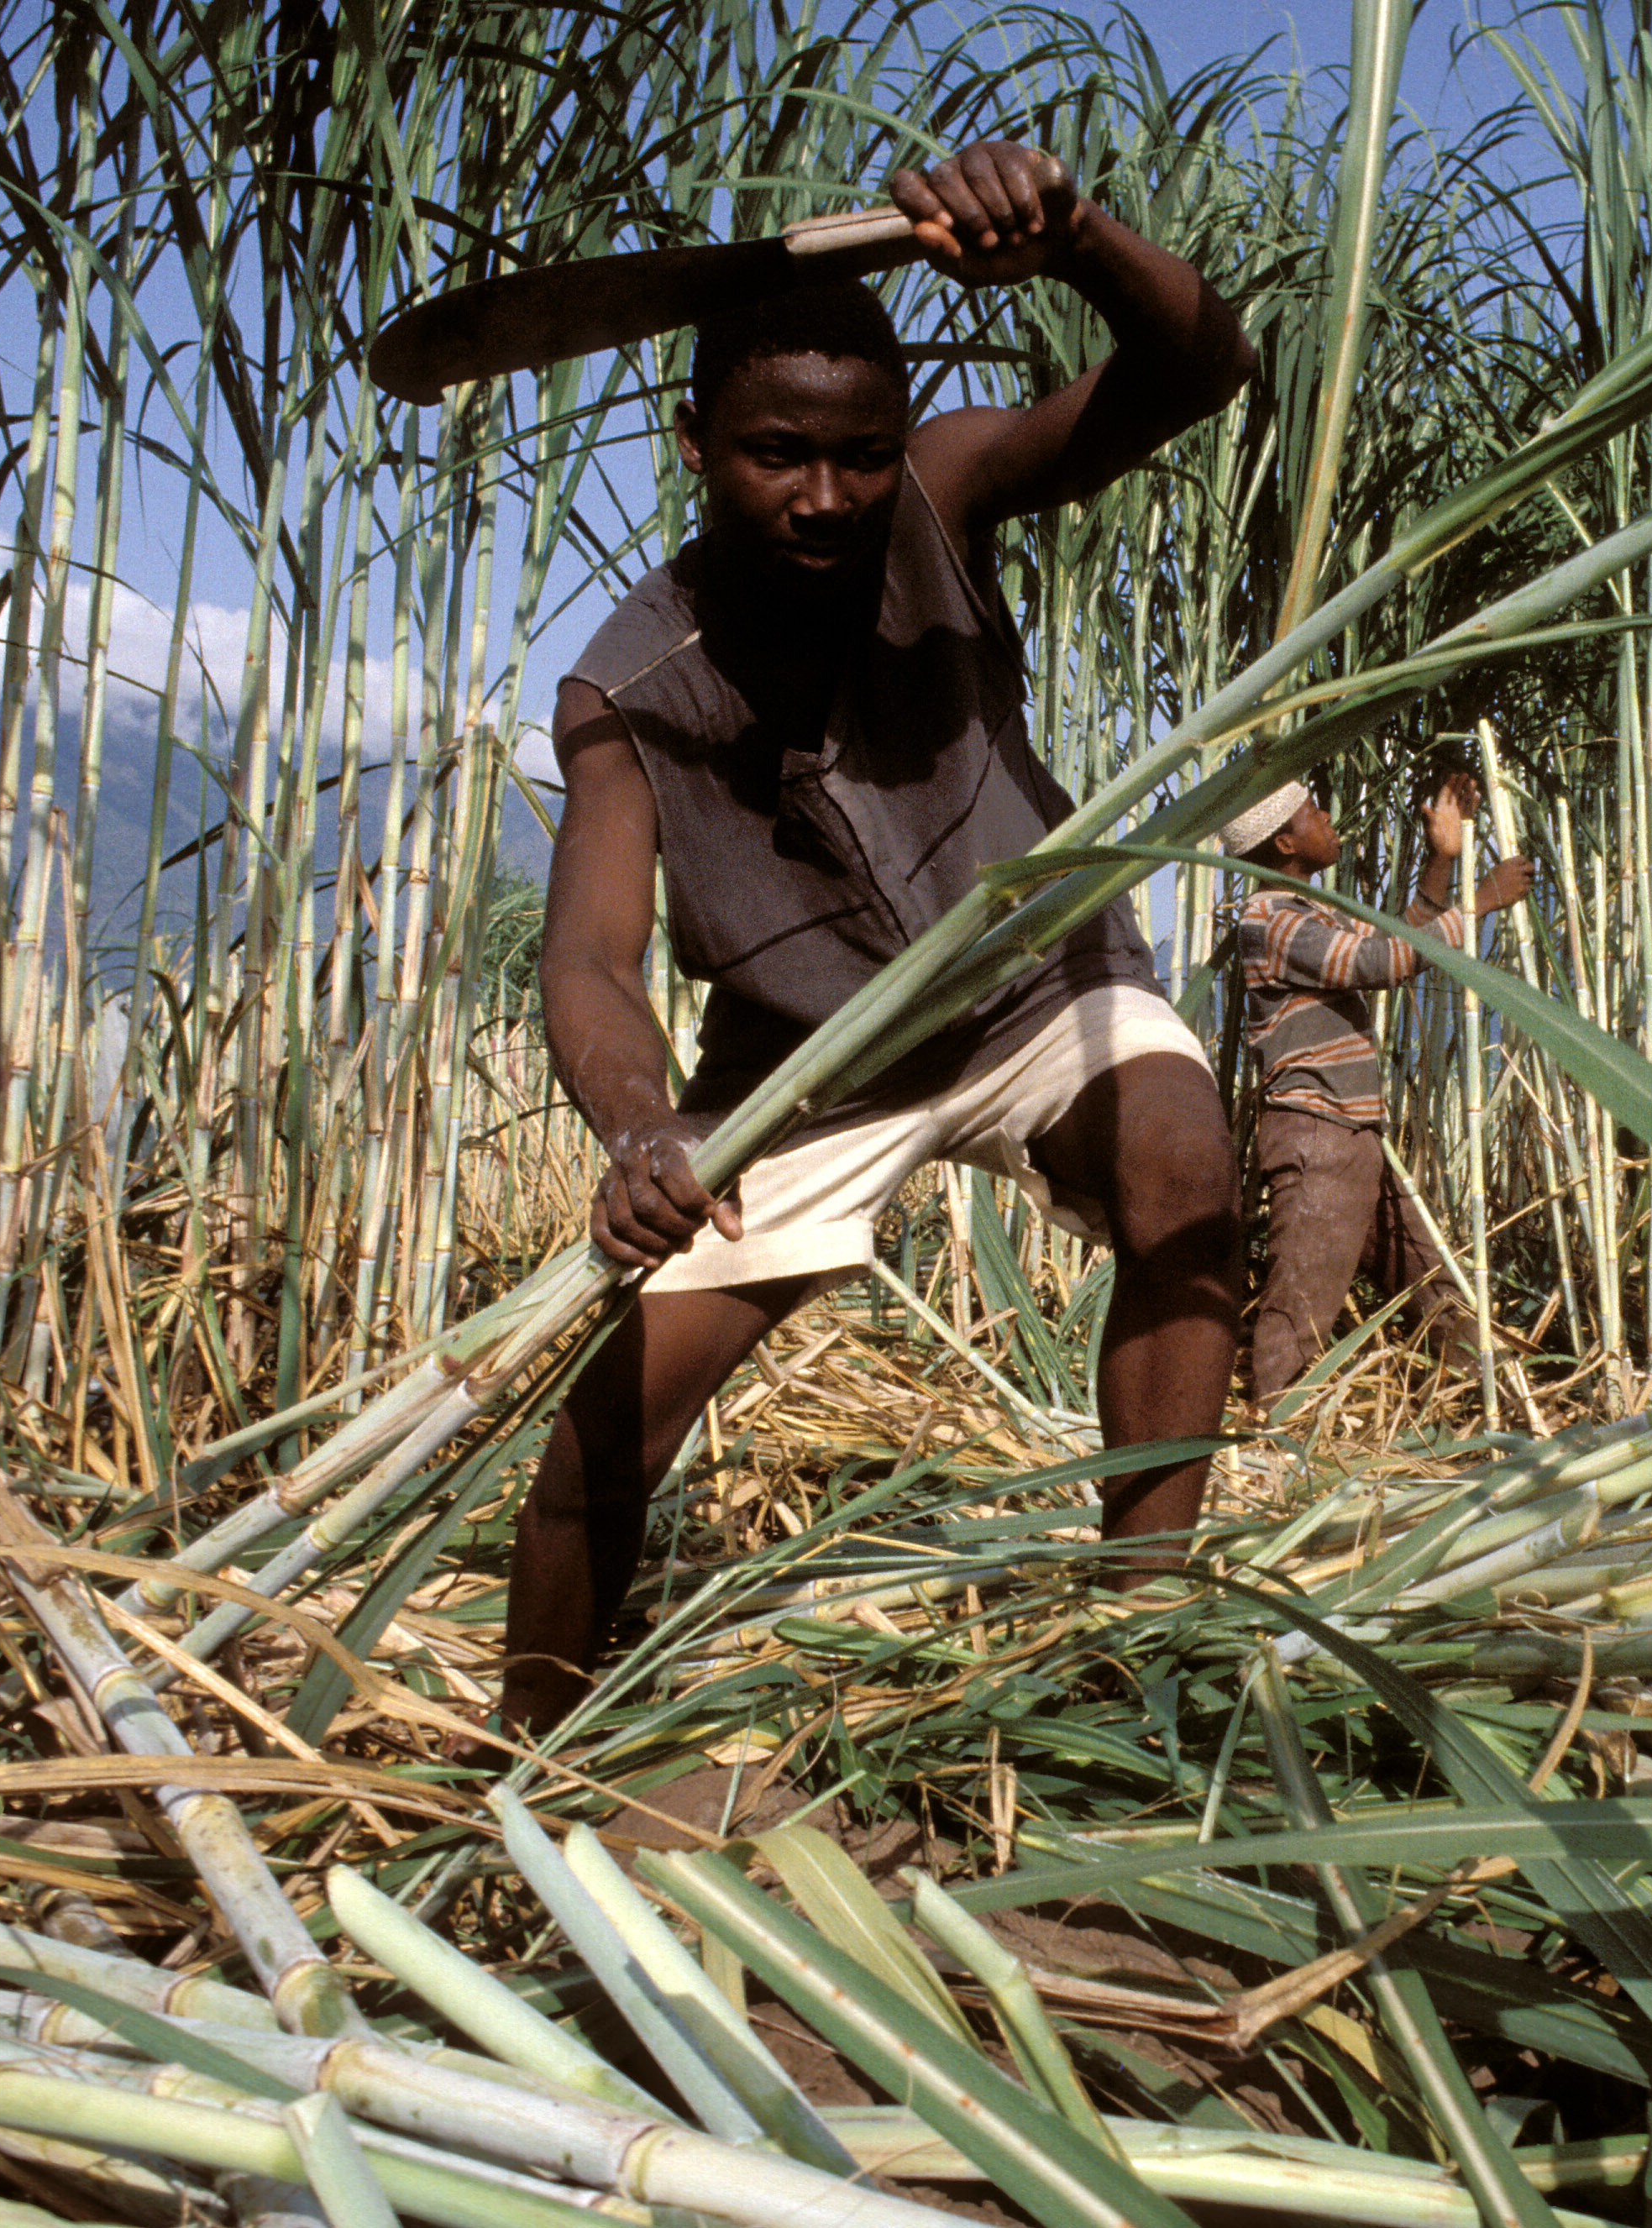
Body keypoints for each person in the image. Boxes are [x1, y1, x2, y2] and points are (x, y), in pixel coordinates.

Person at [501, 141, 1258, 1734]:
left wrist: (1071, 239)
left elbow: (1199, 366)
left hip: (1035, 989)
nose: (825, 497)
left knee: (1183, 1160)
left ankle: (1137, 1643)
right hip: (807, 1066)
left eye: (856, 454)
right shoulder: (630, 684)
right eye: (777, 454)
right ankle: (523, 1769)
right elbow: (587, 952)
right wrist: (639, 1126)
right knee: (595, 1447)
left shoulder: (945, 490)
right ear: (695, 441)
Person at [1229, 772, 1531, 1408]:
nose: (1327, 815)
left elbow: (1394, 941)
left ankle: (1492, 1402)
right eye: (1314, 809)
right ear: (1285, 840)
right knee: (1298, 1317)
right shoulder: (1269, 918)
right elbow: (1380, 964)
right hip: (1318, 1136)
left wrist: (1443, 859)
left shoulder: (1306, 911)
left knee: (1433, 1284)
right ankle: (1275, 1436)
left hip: (1350, 1133)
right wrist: (1480, 899)